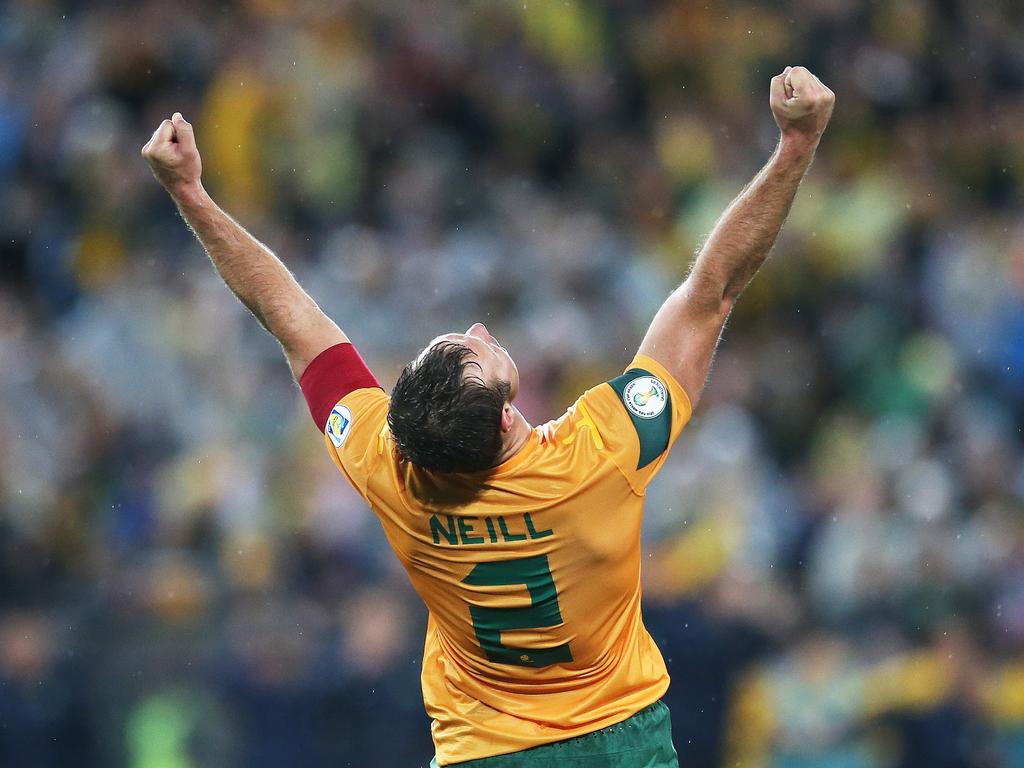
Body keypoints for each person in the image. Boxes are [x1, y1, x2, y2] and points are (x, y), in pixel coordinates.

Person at [142, 65, 834, 767]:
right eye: (483, 350)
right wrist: (795, 148)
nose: (477, 326)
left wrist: (190, 194)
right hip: (622, 744)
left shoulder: (390, 468)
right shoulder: (599, 455)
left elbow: (288, 319)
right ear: (507, 419)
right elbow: (710, 293)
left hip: (485, 753)